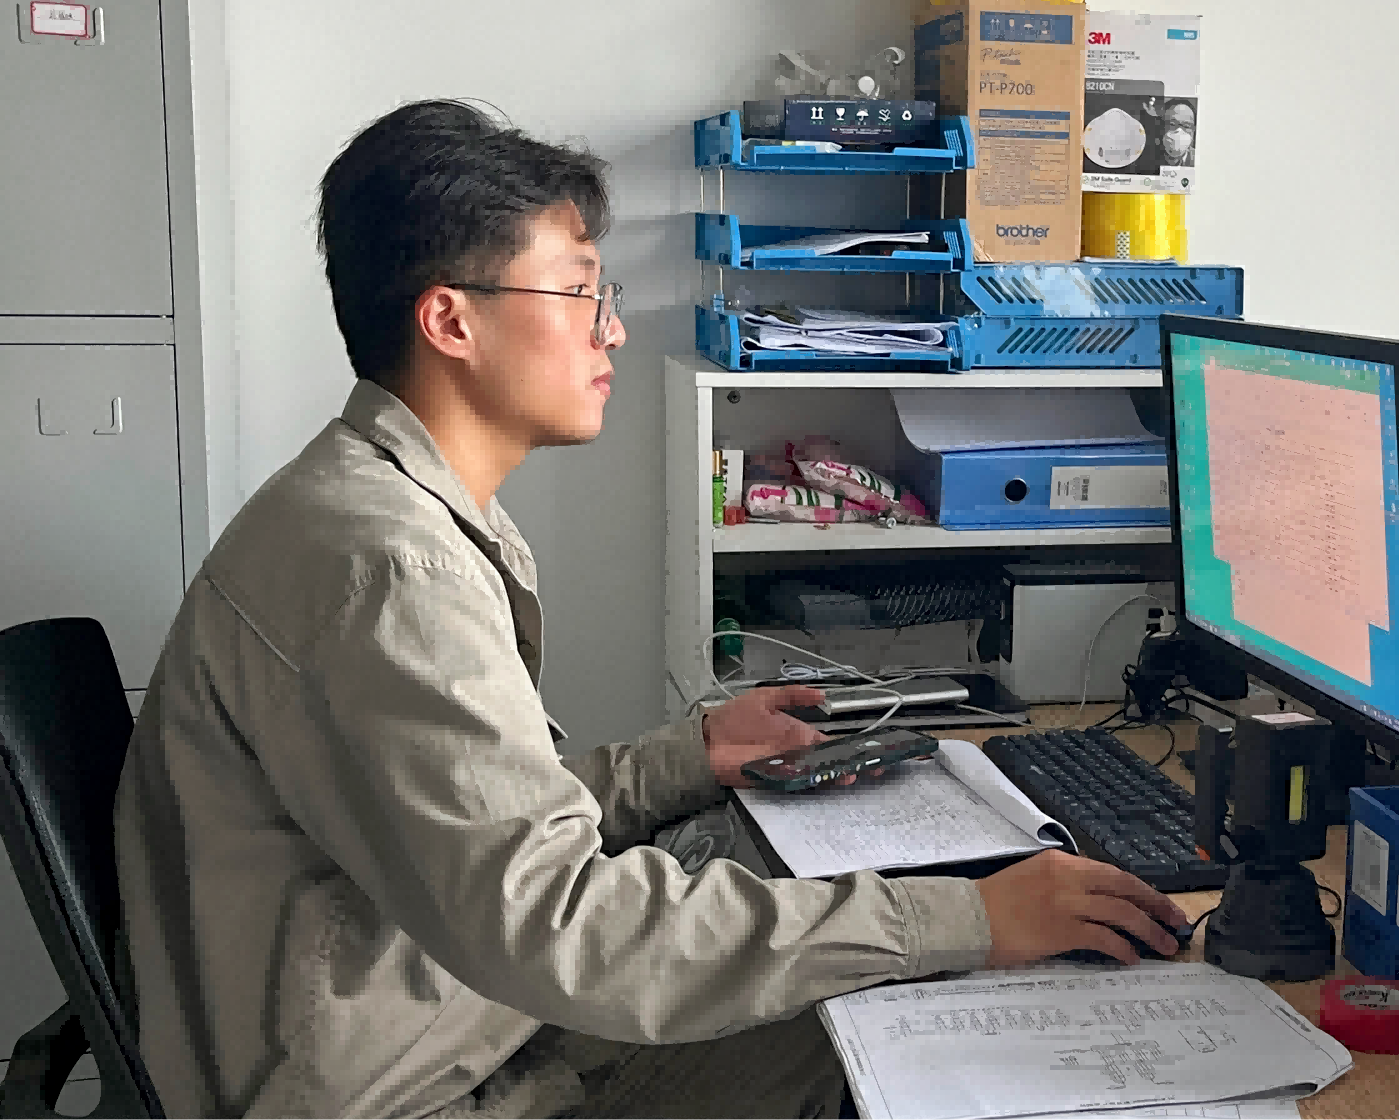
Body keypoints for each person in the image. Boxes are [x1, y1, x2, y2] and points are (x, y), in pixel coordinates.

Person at [113, 99, 1187, 1120]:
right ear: (450, 320)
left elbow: (473, 826)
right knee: (897, 1006)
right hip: (411, 1087)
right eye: (579, 292)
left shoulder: (376, 505)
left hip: (426, 1008)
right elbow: (561, 926)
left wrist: (686, 759)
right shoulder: (389, 567)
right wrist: (967, 918)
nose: (613, 331)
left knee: (780, 884)